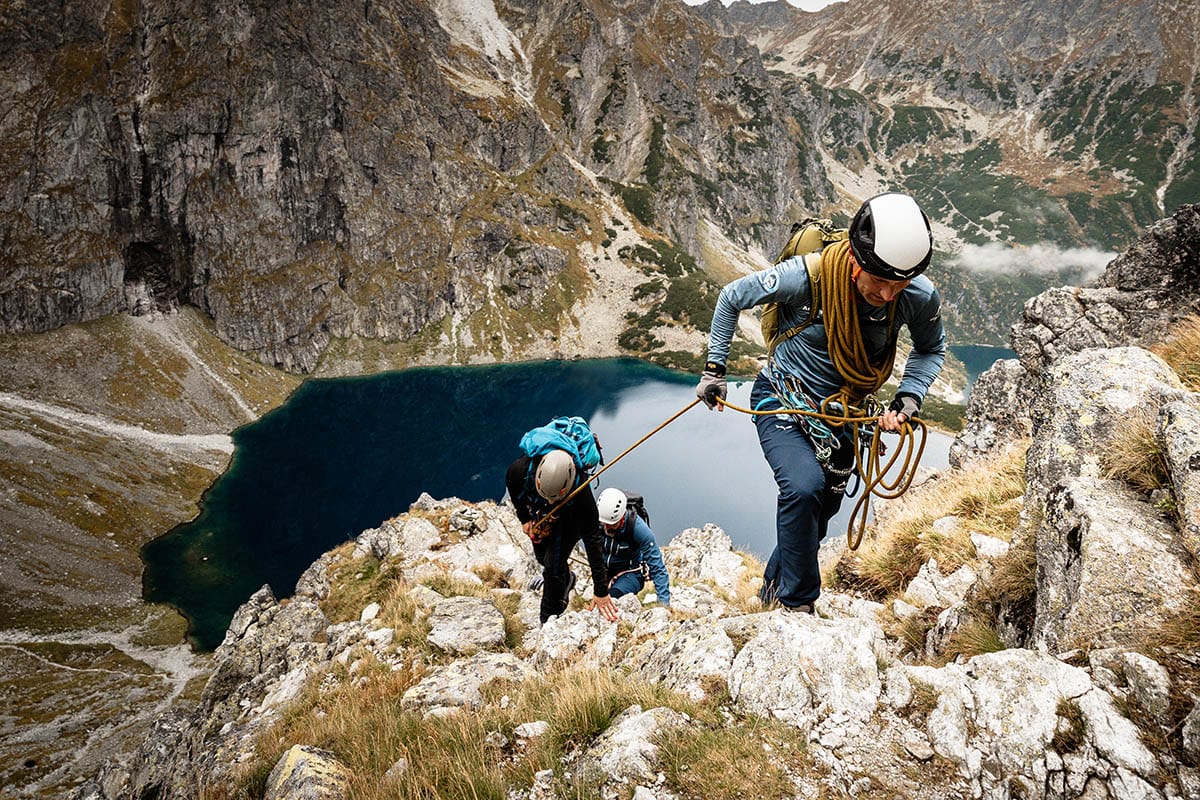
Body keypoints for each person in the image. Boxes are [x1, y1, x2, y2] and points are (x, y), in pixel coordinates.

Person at [695, 191, 946, 613]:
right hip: (782, 398)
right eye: (879, 281)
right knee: (802, 487)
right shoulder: (808, 276)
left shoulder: (917, 296)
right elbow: (732, 296)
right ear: (856, 261)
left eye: (899, 284)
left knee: (816, 516)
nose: (888, 295)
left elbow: (930, 348)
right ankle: (798, 606)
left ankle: (770, 597)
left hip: (845, 419)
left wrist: (907, 399)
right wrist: (714, 370)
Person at [506, 448, 619, 623]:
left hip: (570, 518)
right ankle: (567, 579)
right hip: (540, 511)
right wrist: (525, 518)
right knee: (542, 556)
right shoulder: (519, 470)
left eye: (554, 497)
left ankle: (548, 619)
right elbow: (514, 489)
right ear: (538, 480)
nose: (551, 501)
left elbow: (592, 540)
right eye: (547, 496)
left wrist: (601, 591)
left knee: (553, 566)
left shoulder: (582, 495)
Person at [593, 488, 671, 608]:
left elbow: (658, 568)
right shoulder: (599, 521)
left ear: (622, 518)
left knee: (612, 600)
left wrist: (663, 606)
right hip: (604, 571)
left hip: (631, 573)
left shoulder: (639, 530)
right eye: (603, 523)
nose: (606, 528)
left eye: (610, 524)